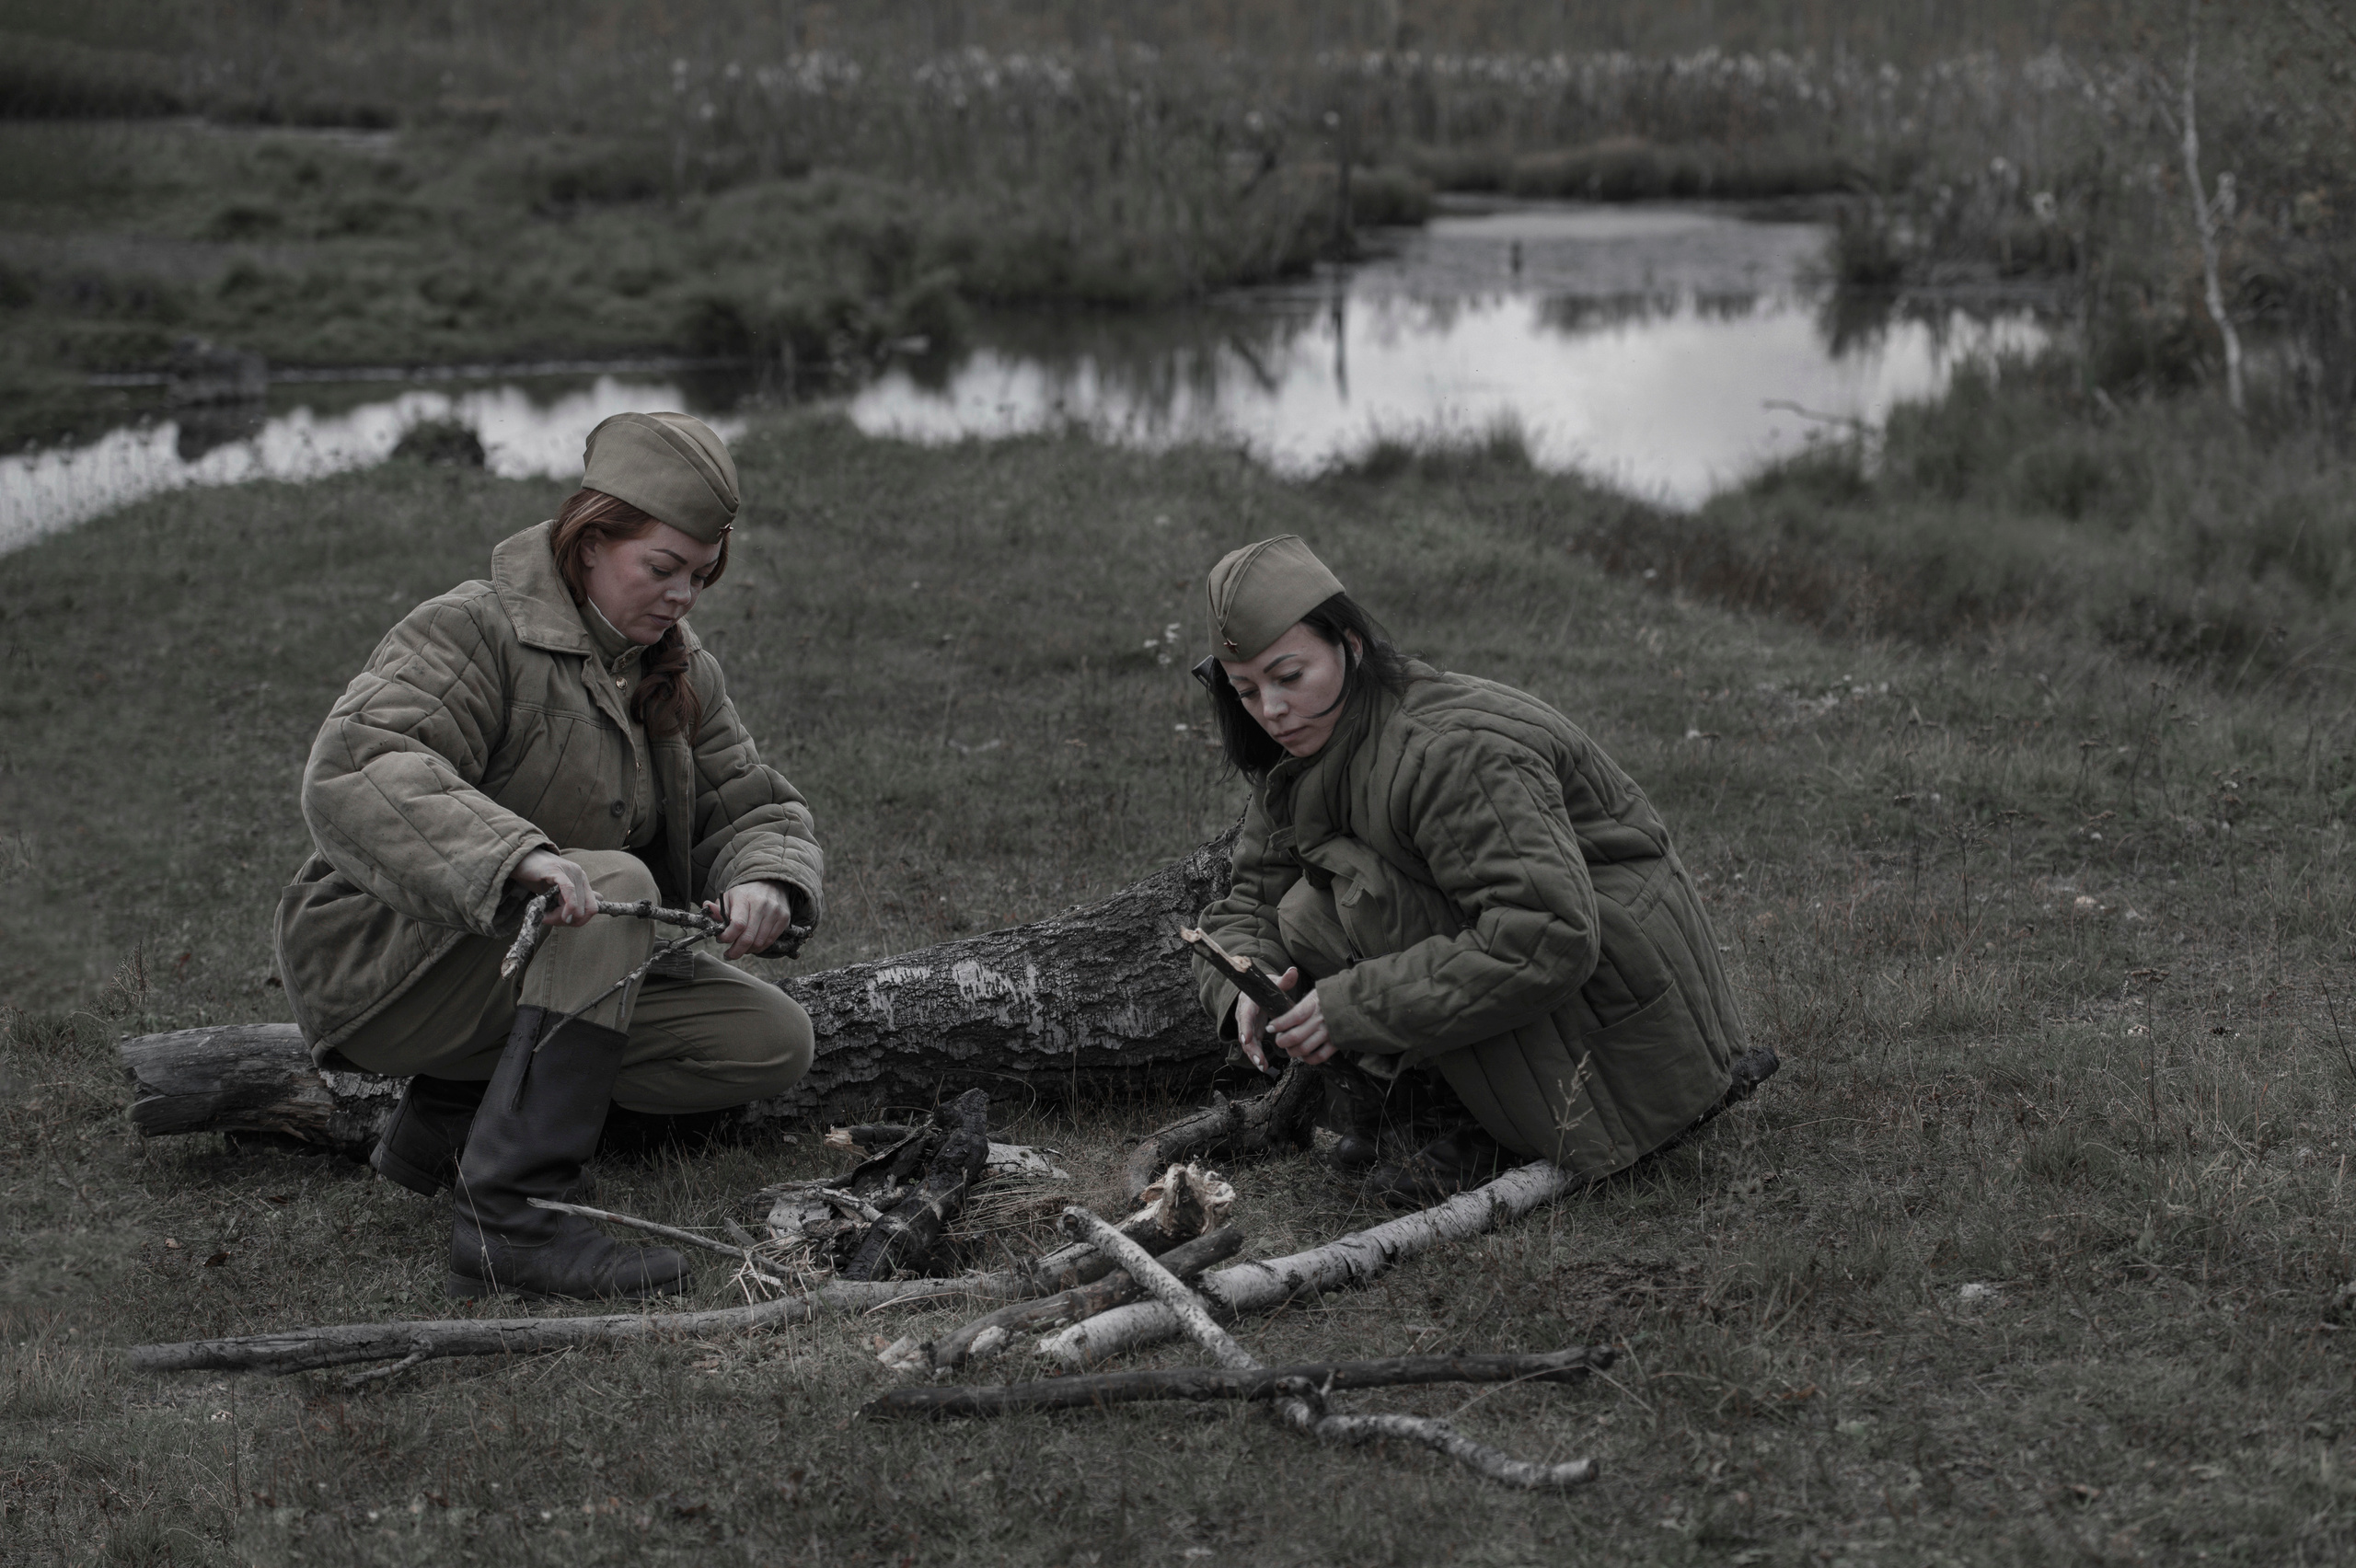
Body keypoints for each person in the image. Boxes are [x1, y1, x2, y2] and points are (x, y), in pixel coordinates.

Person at [275, 411, 823, 1301]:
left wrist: (766, 876)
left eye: (699, 575)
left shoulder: (676, 670)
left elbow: (752, 803)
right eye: (662, 568)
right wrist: (515, 856)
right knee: (615, 881)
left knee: (767, 1042)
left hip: (521, 970)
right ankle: (515, 1223)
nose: (683, 596)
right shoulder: (470, 628)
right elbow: (361, 765)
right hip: (381, 964)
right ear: (591, 538)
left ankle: (452, 1121)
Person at [1186, 536, 1758, 1205]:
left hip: (1626, 1023)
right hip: (1564, 992)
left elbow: (1547, 934)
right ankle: (1436, 1100)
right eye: (1247, 690)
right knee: (1305, 912)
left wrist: (1354, 1009)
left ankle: (1477, 1124)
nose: (1272, 710)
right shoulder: (1306, 747)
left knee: (1354, 899)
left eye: (1289, 677)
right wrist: (1245, 983)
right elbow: (1252, 895)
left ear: (1351, 645)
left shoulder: (1448, 753)